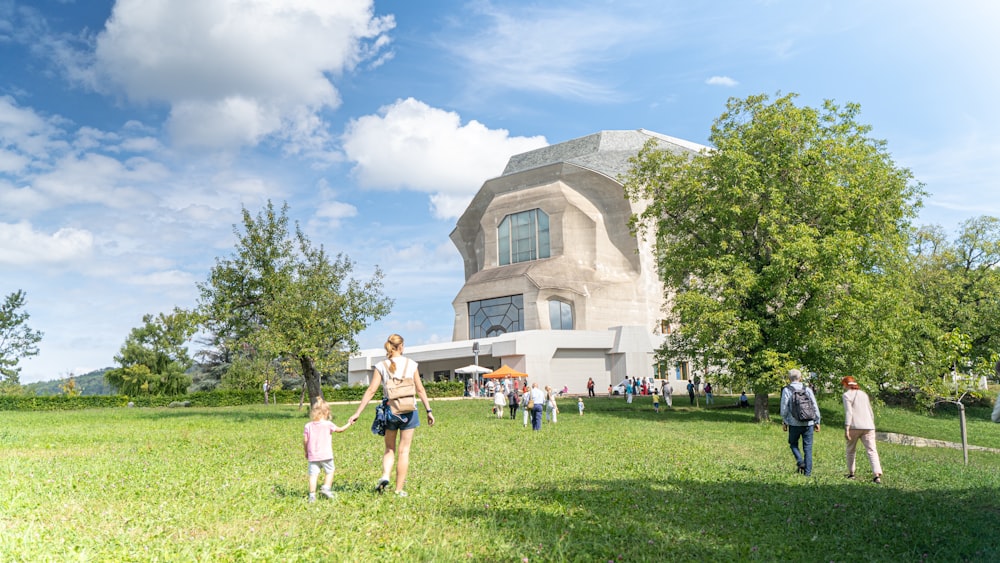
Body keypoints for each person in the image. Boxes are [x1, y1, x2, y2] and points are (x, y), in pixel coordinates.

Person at [348, 334, 435, 497]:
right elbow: (420, 389)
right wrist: (429, 411)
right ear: (401, 346)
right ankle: (399, 489)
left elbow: (371, 390)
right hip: (409, 411)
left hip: (390, 411)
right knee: (404, 451)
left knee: (389, 448)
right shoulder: (411, 364)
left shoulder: (381, 366)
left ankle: (385, 475)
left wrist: (357, 412)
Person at [303, 399, 349, 502]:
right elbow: (340, 430)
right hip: (326, 455)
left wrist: (306, 451)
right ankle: (326, 488)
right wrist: (349, 423)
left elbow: (305, 440)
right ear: (327, 412)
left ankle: (312, 496)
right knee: (330, 471)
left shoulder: (308, 426)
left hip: (313, 456)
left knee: (313, 475)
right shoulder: (328, 424)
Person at [841, 376, 883, 484]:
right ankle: (876, 474)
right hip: (868, 426)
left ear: (845, 385)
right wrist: (872, 423)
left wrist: (847, 427)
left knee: (851, 450)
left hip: (854, 426)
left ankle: (851, 473)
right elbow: (870, 410)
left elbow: (849, 412)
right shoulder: (863, 394)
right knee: (872, 450)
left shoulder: (846, 395)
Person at [780, 369, 821, 476]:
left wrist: (785, 421)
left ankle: (800, 461)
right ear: (800, 378)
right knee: (808, 448)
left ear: (789, 379)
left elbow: (784, 408)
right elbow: (814, 406)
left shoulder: (787, 390)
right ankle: (807, 474)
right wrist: (817, 421)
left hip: (794, 423)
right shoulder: (807, 389)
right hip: (809, 423)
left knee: (793, 443)